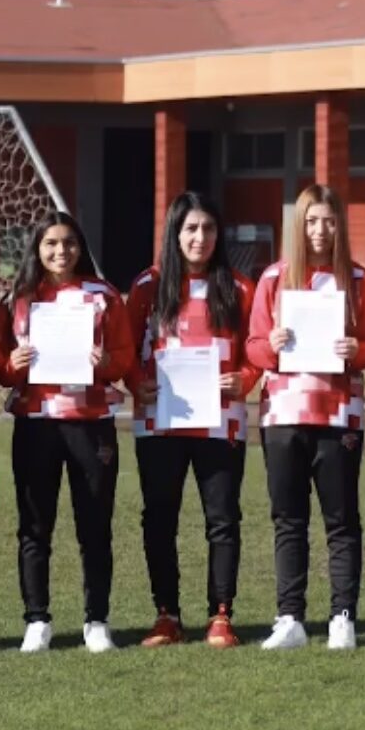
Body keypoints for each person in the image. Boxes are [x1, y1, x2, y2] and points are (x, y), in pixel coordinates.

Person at [245, 184, 365, 651]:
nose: (320, 230)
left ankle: (343, 616)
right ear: (298, 226)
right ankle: (290, 618)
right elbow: (253, 346)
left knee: (341, 518)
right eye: (311, 221)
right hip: (283, 414)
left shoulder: (360, 281)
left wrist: (357, 349)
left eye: (328, 221)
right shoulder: (275, 279)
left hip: (339, 414)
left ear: (340, 226)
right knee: (289, 519)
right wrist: (273, 344)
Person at [0, 212, 134, 654]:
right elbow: (0, 361)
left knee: (95, 526)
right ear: (37, 248)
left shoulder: (104, 295)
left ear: (80, 246)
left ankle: (96, 620)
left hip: (91, 424)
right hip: (37, 424)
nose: (60, 251)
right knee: (35, 526)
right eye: (50, 243)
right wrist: (10, 366)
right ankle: (37, 619)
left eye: (69, 242)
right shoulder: (18, 298)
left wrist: (104, 361)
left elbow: (124, 359)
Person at [126, 192, 259, 648]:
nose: (199, 238)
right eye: (190, 229)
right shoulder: (149, 285)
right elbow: (125, 347)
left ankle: (221, 615)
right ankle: (167, 615)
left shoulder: (240, 287)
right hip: (159, 422)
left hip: (221, 423)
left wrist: (246, 378)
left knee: (222, 519)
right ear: (174, 234)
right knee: (159, 518)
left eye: (207, 229)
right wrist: (133, 381)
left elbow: (257, 348)